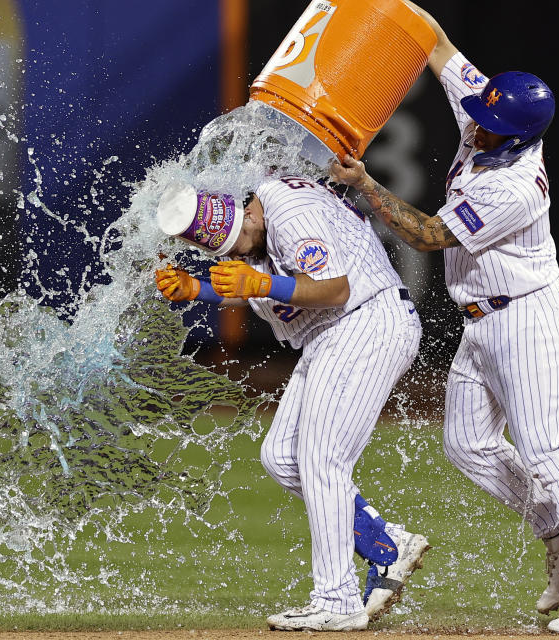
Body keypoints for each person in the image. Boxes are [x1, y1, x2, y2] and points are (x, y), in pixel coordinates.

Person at [328, 1, 559, 633]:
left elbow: (426, 235)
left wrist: (365, 185)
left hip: (529, 319)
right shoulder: (493, 112)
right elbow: (439, 47)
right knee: (467, 444)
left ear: (522, 134)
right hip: (483, 323)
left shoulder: (516, 184)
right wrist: (398, 8)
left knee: (549, 445)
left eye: (492, 122)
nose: (479, 124)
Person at [154, 176, 429, 631]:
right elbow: (255, 284)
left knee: (322, 460)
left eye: (238, 243)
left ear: (246, 215)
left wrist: (258, 282)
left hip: (366, 320)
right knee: (282, 458)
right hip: (331, 336)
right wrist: (196, 289)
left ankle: (335, 601)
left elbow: (334, 289)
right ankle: (388, 544)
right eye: (228, 254)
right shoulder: (254, 238)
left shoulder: (287, 208)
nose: (237, 254)